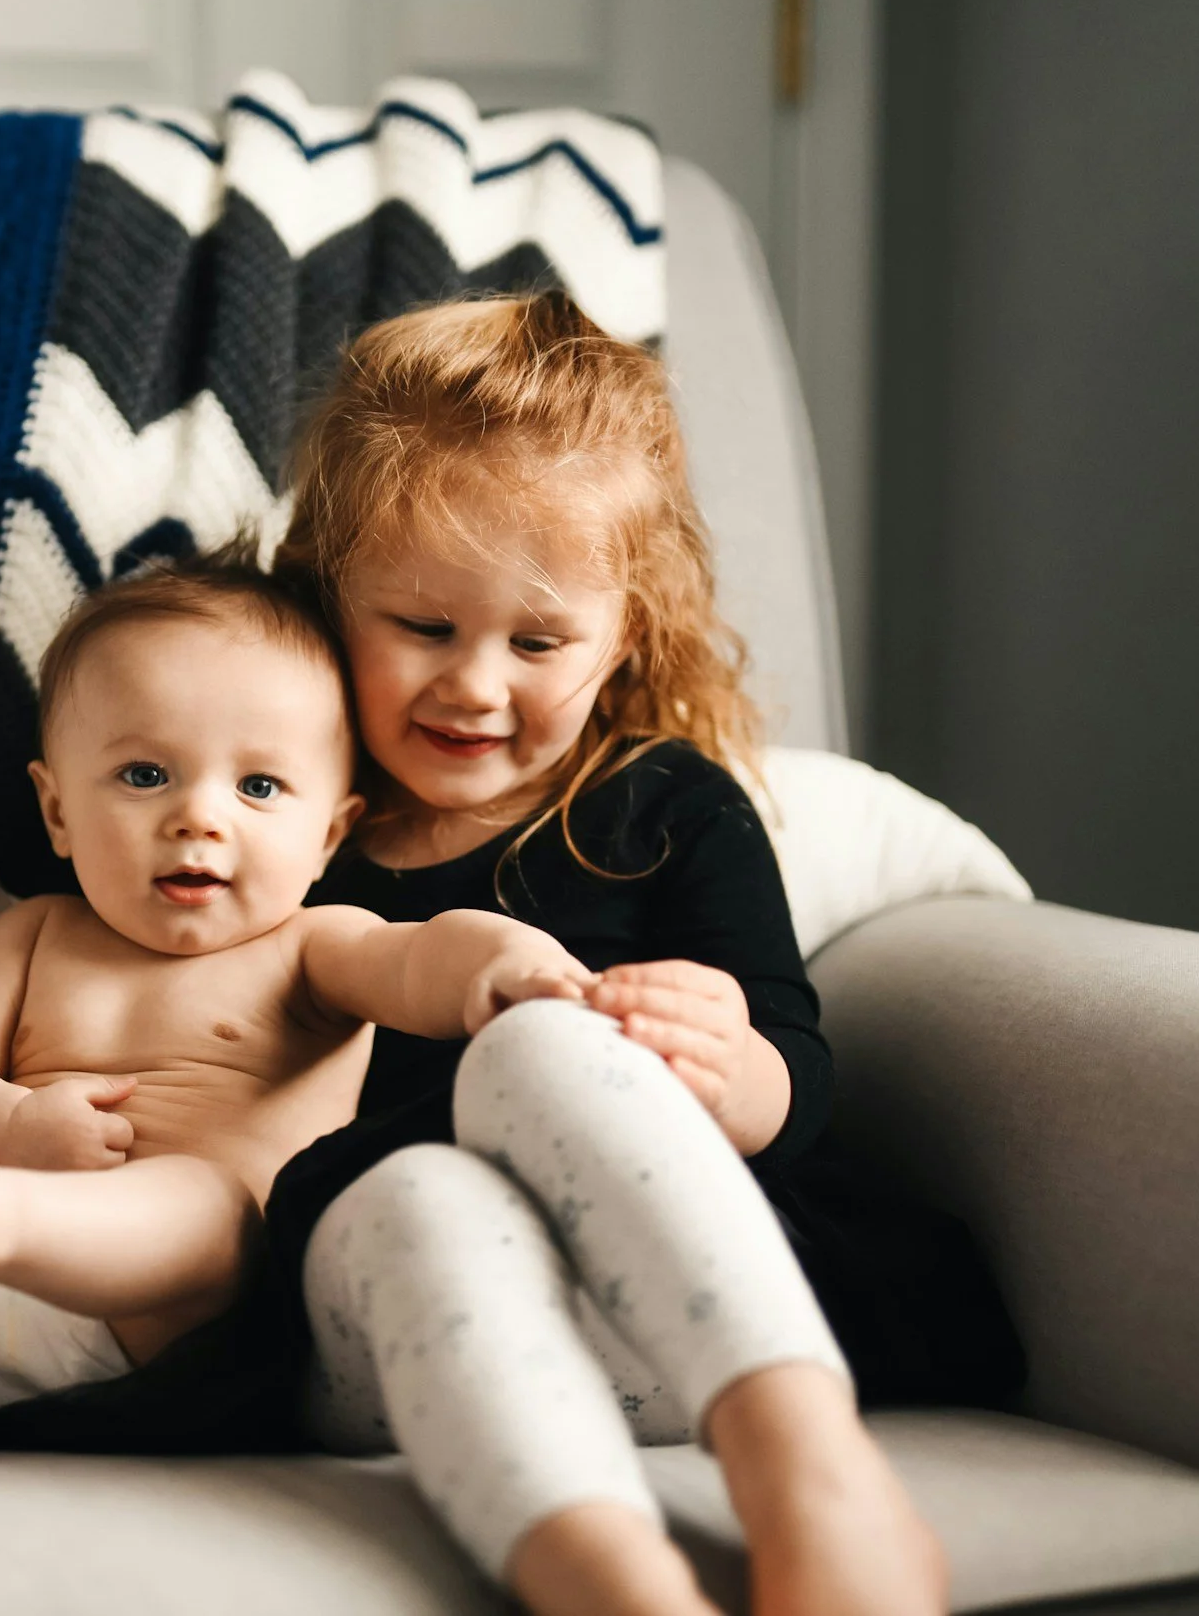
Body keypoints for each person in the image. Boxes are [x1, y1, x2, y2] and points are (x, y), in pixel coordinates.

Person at [252, 290, 952, 1616]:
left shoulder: (666, 805)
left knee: (540, 1040)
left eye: (537, 640)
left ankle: (808, 1473)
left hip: (660, 1314)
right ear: (328, 595)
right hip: (398, 1330)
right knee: (425, 1196)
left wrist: (735, 1072)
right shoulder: (277, 817)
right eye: (423, 627)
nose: (475, 684)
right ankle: (613, 1585)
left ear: (623, 631)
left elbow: (794, 1066)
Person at [0, 554, 596, 1470]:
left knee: (212, 1206)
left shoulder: (312, 947)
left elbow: (415, 958)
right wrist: (6, 1121)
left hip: (168, 1337)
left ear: (328, 835)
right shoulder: (38, 932)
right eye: (145, 773)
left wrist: (504, 962)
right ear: (56, 811)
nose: (200, 817)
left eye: (258, 787)